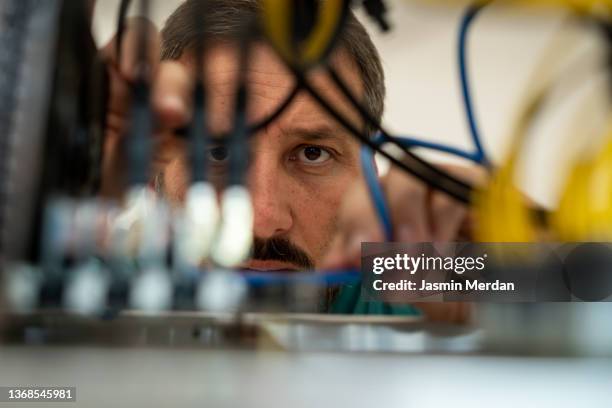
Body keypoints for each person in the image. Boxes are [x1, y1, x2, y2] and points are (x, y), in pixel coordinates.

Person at [99, 0, 483, 322]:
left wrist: (516, 257)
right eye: (218, 153)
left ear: (368, 174)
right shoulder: (96, 287)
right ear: (151, 177)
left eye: (312, 154)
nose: (264, 219)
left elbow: (535, 283)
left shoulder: (411, 284)